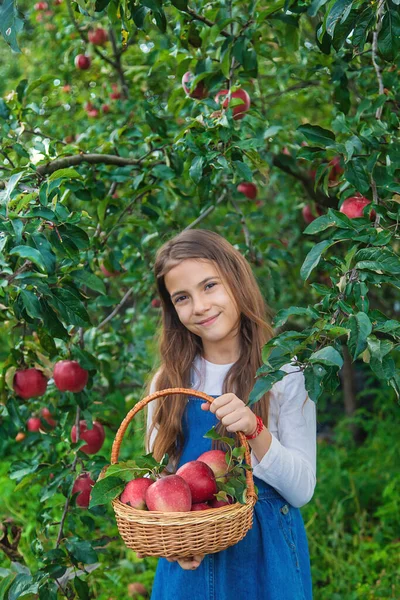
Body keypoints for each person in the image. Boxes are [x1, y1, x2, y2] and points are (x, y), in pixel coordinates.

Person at [143, 229, 316, 600]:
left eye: (210, 286)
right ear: (172, 309)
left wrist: (256, 431)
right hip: (192, 563)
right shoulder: (169, 383)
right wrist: (175, 542)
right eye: (182, 298)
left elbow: (301, 490)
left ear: (236, 281)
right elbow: (157, 480)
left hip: (265, 562)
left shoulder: (286, 373)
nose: (200, 306)